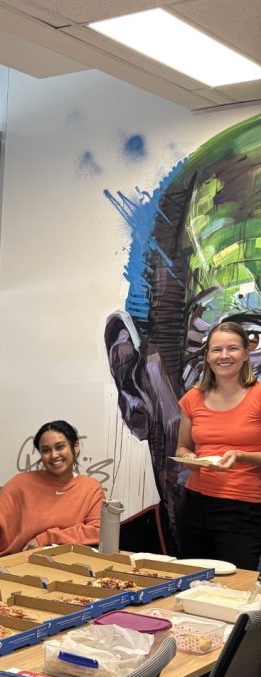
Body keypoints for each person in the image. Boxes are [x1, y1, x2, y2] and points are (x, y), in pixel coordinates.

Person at [105, 114, 261, 553]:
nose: (229, 356)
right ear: (134, 384)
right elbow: (185, 449)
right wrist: (198, 460)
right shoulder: (125, 557)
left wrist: (242, 458)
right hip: (204, 507)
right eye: (254, 339)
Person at [174, 322, 261, 569]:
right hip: (193, 504)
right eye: (216, 350)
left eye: (232, 348)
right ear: (208, 357)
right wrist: (191, 458)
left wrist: (240, 456)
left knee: (235, 587)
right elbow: (182, 448)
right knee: (193, 582)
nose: (224, 356)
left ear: (246, 353)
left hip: (242, 509)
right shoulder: (193, 398)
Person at [0, 420, 103, 560]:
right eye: (46, 450)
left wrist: (47, 538)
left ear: (76, 446)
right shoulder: (20, 484)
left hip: (69, 569)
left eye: (60, 447)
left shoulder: (90, 487)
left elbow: (97, 531)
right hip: (17, 566)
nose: (53, 455)